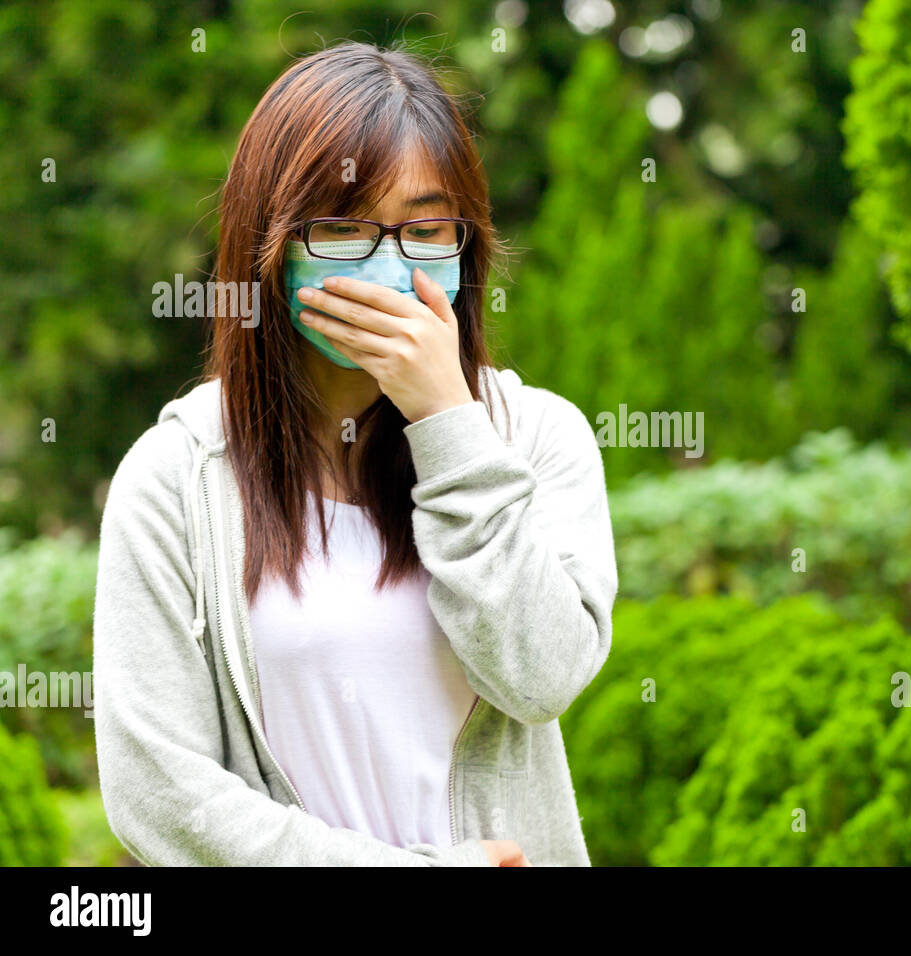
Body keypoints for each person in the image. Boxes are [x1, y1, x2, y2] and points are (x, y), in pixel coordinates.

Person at [92, 41, 618, 867]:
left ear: (465, 241)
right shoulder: (176, 477)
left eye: (424, 227)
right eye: (340, 227)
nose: (387, 265)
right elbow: (157, 791)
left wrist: (446, 419)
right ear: (267, 245)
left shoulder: (538, 437)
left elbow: (542, 676)